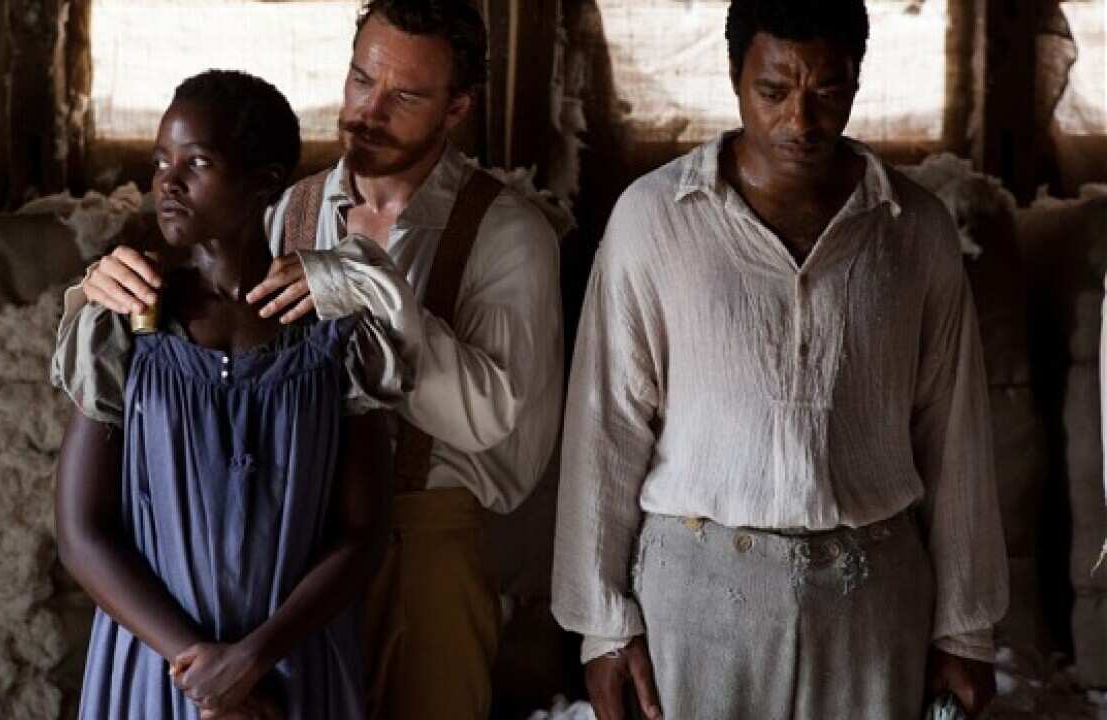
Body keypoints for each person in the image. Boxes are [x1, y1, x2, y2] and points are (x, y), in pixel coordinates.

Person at [71, 2, 563, 718]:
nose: (367, 111)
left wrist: (371, 295)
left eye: (405, 96)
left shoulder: (509, 233)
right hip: (286, 557)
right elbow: (204, 324)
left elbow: (496, 424)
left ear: (456, 107)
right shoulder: (286, 206)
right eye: (362, 79)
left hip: (423, 548)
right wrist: (91, 292)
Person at [552, 1, 1008, 718]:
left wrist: (967, 629)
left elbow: (954, 433)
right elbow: (606, 426)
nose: (801, 121)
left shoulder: (914, 228)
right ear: (734, 77)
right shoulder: (654, 217)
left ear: (858, 80)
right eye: (774, 91)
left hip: (873, 600)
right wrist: (602, 628)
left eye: (828, 91)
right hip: (698, 599)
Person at [52, 70, 404, 720]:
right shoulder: (123, 320)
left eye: (198, 162)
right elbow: (80, 531)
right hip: (159, 671)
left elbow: (363, 534)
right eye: (161, 160)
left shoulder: (334, 333)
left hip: (293, 665)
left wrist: (252, 659)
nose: (168, 181)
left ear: (266, 180)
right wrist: (200, 667)